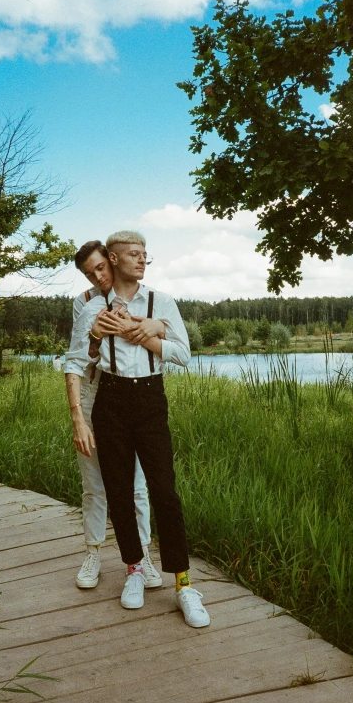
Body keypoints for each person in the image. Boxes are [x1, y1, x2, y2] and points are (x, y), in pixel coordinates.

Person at [66, 231, 210, 628]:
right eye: (134, 254)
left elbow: (184, 354)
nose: (143, 260)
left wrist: (147, 333)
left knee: (165, 491)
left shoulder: (160, 303)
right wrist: (96, 335)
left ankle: (183, 584)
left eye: (145, 254)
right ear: (114, 258)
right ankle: (133, 569)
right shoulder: (95, 306)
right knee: (117, 489)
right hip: (110, 402)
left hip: (149, 399)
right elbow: (78, 359)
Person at [64, 240, 163, 590]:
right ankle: (93, 552)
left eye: (101, 267)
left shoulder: (142, 298)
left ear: (112, 259)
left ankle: (142, 557)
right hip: (93, 398)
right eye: (90, 273)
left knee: (136, 486)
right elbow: (78, 359)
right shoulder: (85, 304)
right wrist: (78, 417)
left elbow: (160, 343)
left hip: (128, 399)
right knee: (94, 484)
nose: (98, 277)